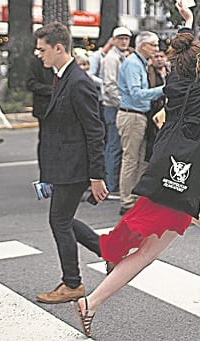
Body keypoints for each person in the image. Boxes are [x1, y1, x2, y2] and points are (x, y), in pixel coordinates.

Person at [70, 0, 200, 338]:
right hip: (180, 175)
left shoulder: (178, 81)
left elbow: (186, 53)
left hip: (174, 169)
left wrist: (188, 21)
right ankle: (91, 302)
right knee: (147, 253)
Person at [33, 22, 107, 305]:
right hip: (64, 164)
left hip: (74, 166)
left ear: (59, 48)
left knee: (59, 221)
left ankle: (72, 283)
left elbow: (95, 131)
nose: (38, 54)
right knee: (61, 219)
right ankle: (108, 252)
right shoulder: (63, 77)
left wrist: (96, 176)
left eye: (42, 49)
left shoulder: (78, 82)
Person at [116, 32, 164, 215]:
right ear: (143, 45)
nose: (156, 49)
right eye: (153, 44)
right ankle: (127, 200)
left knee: (140, 158)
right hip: (132, 115)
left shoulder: (140, 64)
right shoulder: (133, 64)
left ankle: (134, 197)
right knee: (131, 159)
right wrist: (162, 90)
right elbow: (136, 93)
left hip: (139, 115)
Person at [102, 27, 131, 196]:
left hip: (117, 105)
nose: (124, 41)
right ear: (113, 40)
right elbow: (110, 86)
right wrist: (123, 104)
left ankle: (113, 182)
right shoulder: (112, 59)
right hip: (113, 107)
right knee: (113, 145)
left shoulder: (121, 57)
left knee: (117, 146)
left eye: (126, 39)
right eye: (120, 38)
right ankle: (110, 184)